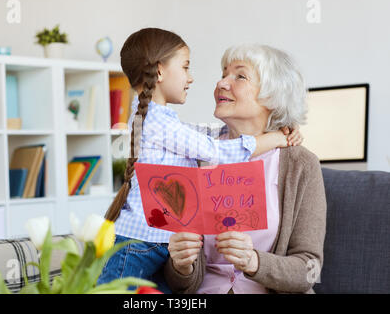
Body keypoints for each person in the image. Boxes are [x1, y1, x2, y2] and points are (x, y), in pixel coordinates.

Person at [97, 29, 301, 292]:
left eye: (239, 76)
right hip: (144, 242)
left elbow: (204, 139)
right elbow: (213, 149)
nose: (194, 79)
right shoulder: (160, 124)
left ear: (273, 96)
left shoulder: (166, 123)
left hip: (154, 243)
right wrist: (274, 138)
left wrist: (280, 133)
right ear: (159, 72)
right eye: (185, 68)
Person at [165, 44, 327, 294]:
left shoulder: (300, 165)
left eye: (239, 76)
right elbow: (179, 283)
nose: (222, 83)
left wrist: (254, 261)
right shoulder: (197, 154)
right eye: (223, 73)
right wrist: (181, 265)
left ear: (273, 96)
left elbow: (309, 269)